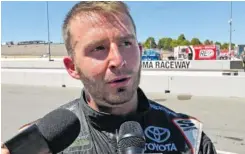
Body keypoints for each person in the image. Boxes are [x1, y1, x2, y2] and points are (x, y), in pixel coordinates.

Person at [2, 1, 217, 154]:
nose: (118, 59)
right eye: (98, 48)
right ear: (72, 67)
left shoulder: (189, 137)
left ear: (140, 51)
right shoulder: (40, 142)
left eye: (126, 43)